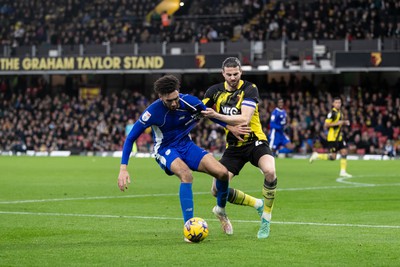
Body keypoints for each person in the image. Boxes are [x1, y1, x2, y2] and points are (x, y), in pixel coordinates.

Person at [117, 75, 247, 242]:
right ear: (160, 97)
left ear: (178, 92)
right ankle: (189, 228)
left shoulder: (189, 101)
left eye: (175, 98)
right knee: (186, 174)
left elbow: (209, 114)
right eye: (169, 100)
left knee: (222, 173)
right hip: (165, 149)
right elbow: (130, 138)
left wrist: (229, 126)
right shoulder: (152, 112)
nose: (173, 103)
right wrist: (123, 168)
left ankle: (220, 210)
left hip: (186, 145)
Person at [201, 57, 278, 239]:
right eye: (229, 74)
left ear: (241, 72)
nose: (233, 77)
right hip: (234, 147)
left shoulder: (250, 89)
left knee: (270, 171)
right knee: (216, 190)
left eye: (236, 74)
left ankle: (266, 217)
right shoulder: (214, 91)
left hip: (255, 141)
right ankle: (254, 205)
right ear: (223, 74)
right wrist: (227, 126)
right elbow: (201, 111)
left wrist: (217, 115)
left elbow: (244, 118)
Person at [309, 97, 352, 177]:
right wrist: (340, 123)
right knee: (333, 157)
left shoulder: (340, 113)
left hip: (339, 137)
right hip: (332, 138)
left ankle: (343, 171)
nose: (338, 104)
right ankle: (317, 155)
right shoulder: (332, 113)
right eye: (336, 103)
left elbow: (339, 124)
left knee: (344, 152)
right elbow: (326, 125)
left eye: (339, 102)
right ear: (333, 104)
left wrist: (343, 123)